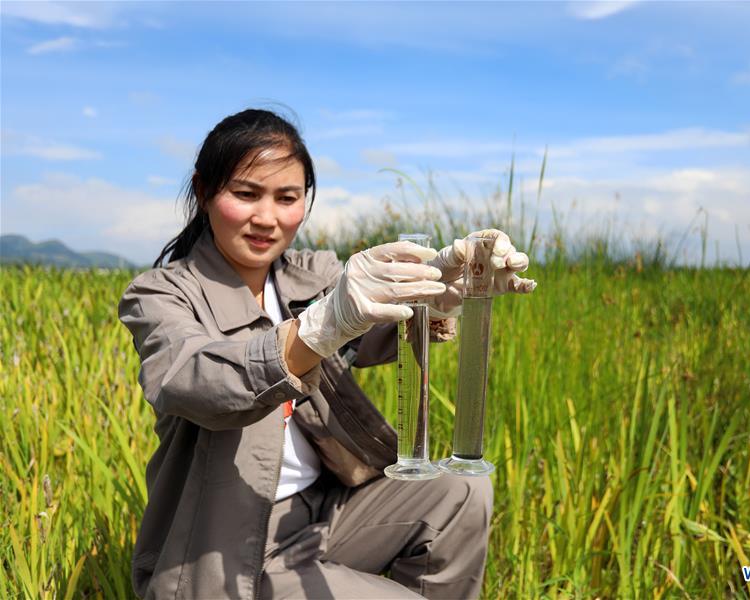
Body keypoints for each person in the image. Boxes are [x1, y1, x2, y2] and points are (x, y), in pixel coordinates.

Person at [117, 108, 536, 599]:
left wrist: (439, 290)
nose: (267, 218)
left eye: (287, 198)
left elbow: (375, 331)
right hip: (227, 551)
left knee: (461, 490)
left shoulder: (310, 273)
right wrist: (317, 327)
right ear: (205, 189)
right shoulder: (162, 294)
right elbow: (194, 383)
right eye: (246, 193)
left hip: (325, 514)